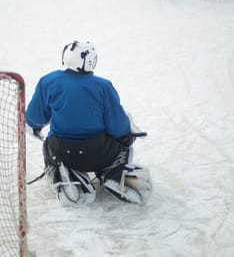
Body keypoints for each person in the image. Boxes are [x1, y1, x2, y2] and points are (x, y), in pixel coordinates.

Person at [25, 40, 152, 205]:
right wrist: (127, 136)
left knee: (49, 143)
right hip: (100, 154)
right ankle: (114, 173)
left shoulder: (48, 81)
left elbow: (34, 119)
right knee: (123, 144)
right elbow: (118, 127)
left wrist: (34, 127)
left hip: (64, 152)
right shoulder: (103, 86)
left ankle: (66, 175)